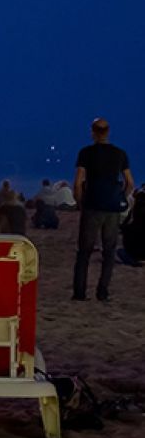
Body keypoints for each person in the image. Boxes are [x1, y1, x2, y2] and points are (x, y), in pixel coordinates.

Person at [74, 118, 134, 301]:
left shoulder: (86, 153)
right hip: (112, 207)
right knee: (109, 251)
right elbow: (129, 182)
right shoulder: (120, 154)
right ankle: (102, 292)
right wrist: (121, 196)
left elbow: (78, 181)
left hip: (93, 204)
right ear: (108, 132)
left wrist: (79, 201)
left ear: (93, 132)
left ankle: (80, 293)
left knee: (84, 251)